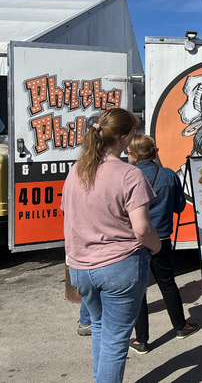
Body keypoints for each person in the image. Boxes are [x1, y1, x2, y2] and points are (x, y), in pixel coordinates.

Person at [62, 108, 162, 383]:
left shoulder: (76, 172)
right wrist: (157, 248)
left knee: (100, 330)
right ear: (124, 137)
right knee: (116, 340)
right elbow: (142, 228)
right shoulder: (129, 175)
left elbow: (68, 218)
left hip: (82, 267)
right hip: (119, 265)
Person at [126, 134, 198, 354]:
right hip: (162, 239)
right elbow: (179, 206)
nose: (126, 155)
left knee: (139, 290)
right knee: (167, 283)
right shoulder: (168, 175)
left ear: (137, 155)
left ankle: (142, 340)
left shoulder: (128, 176)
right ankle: (180, 326)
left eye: (129, 152)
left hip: (135, 240)